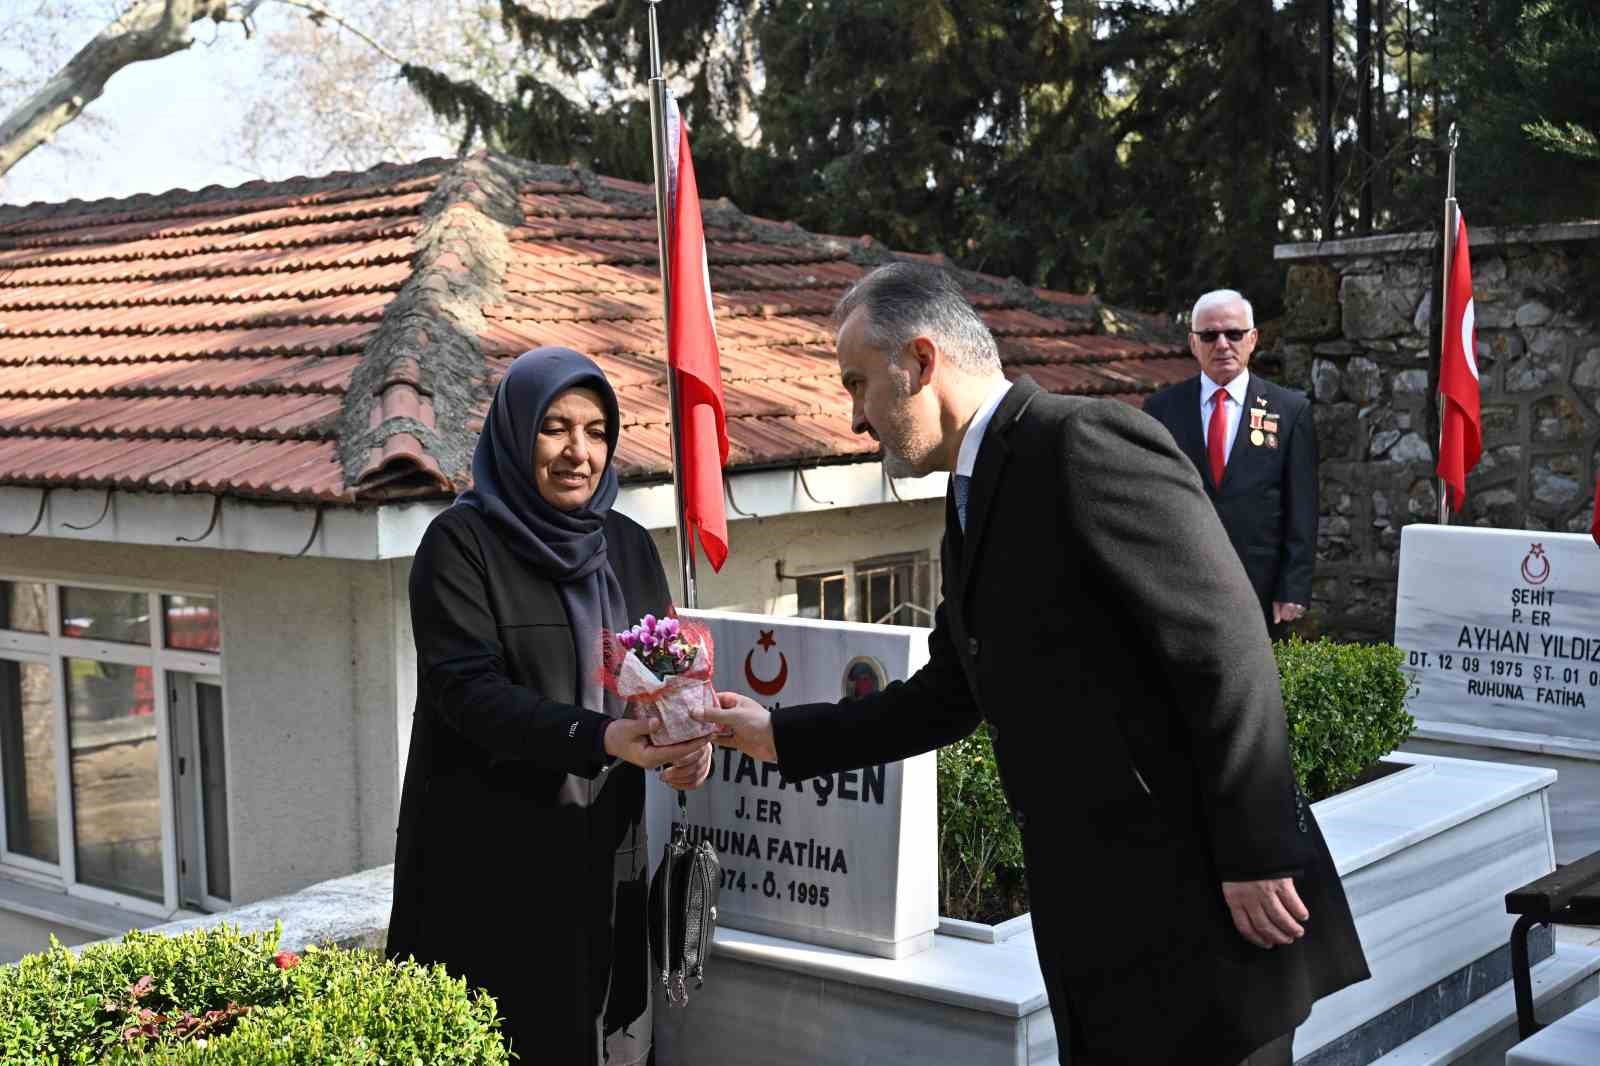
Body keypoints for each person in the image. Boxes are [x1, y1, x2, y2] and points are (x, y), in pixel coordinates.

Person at [696, 264, 1368, 1066]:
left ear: (919, 361)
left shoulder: (1081, 441)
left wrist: (1256, 854)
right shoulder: (972, 490)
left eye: (858, 384)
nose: (854, 418)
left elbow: (1226, 645)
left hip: (1207, 917)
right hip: (1104, 932)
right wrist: (775, 735)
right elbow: (950, 692)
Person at [386, 347, 714, 1065]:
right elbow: (469, 695)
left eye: (597, 431)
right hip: (494, 872)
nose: (579, 452)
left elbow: (665, 673)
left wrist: (689, 740)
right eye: (555, 428)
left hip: (609, 863)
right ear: (514, 433)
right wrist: (602, 738)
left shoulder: (626, 544)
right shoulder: (458, 546)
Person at [1142, 290, 1318, 638]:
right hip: (1181, 582)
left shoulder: (1289, 410)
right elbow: (1149, 501)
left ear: (1252, 339)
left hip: (1260, 586)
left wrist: (1293, 587)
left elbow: (1303, 507)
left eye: (1233, 334)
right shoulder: (1161, 409)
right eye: (1209, 336)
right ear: (1193, 343)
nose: (1222, 344)